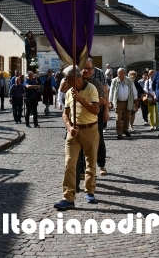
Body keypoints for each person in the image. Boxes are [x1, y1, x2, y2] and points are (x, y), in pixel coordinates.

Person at [54, 65, 101, 210]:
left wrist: (80, 99)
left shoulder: (91, 88)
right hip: (73, 132)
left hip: (90, 130)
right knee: (69, 164)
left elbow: (95, 110)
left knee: (90, 162)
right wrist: (69, 128)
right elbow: (65, 114)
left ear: (74, 78)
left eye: (67, 79)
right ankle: (68, 197)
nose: (66, 81)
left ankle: (89, 191)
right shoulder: (69, 92)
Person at [75, 59, 110, 181]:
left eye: (89, 69)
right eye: (84, 68)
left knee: (98, 139)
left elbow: (104, 95)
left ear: (93, 70)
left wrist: (106, 110)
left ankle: (101, 164)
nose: (86, 71)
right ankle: (82, 170)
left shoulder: (98, 78)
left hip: (96, 114)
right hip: (80, 115)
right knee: (79, 141)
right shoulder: (76, 78)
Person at [109, 68, 137, 139]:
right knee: (118, 117)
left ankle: (125, 130)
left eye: (121, 73)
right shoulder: (114, 81)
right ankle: (119, 133)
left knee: (127, 117)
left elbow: (134, 90)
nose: (120, 75)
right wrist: (110, 101)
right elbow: (111, 91)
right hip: (118, 101)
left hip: (128, 101)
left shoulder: (129, 81)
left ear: (124, 73)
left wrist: (136, 99)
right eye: (119, 73)